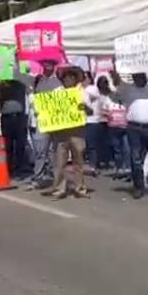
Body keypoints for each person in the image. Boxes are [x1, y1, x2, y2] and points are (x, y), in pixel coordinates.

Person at [111, 71, 148, 199]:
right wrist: (115, 72)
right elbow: (116, 83)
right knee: (136, 159)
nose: (139, 78)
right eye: (136, 76)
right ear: (133, 77)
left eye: (141, 75)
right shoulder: (127, 89)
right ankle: (138, 187)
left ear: (145, 76)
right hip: (134, 128)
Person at [46, 67, 90, 199]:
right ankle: (59, 188)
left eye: (71, 77)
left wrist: (85, 108)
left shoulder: (81, 93)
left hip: (77, 131)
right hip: (61, 131)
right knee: (60, 162)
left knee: (78, 161)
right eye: (66, 77)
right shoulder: (57, 92)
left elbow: (90, 111)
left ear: (75, 79)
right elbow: (49, 110)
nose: (68, 80)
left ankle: (80, 188)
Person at [30, 59, 62, 190]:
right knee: (40, 150)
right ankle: (38, 177)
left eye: (50, 64)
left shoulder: (58, 83)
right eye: (45, 64)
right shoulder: (38, 81)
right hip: (41, 120)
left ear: (54, 67)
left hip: (54, 120)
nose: (47, 66)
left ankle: (55, 177)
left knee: (53, 151)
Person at [0, 78, 30, 179]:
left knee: (20, 145)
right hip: (7, 118)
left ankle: (20, 169)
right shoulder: (1, 86)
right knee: (8, 145)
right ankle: (9, 170)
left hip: (19, 117)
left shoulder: (20, 84)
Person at [83, 73, 106, 175]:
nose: (82, 80)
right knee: (84, 145)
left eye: (84, 78)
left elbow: (90, 97)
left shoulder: (92, 89)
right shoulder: (81, 90)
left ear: (89, 79)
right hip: (83, 121)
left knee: (91, 145)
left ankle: (93, 166)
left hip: (92, 121)